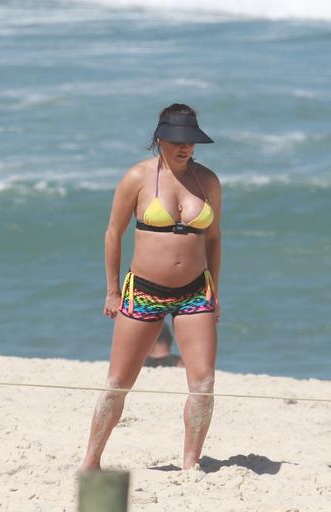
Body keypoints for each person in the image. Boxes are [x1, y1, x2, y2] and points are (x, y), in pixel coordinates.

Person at [79, 104, 221, 471]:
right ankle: (91, 462)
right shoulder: (137, 178)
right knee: (118, 381)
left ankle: (191, 465)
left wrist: (214, 290)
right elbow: (113, 233)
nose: (184, 147)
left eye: (190, 141)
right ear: (160, 138)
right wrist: (112, 290)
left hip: (195, 292)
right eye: (177, 140)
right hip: (143, 290)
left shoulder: (208, 181)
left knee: (203, 382)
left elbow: (214, 239)